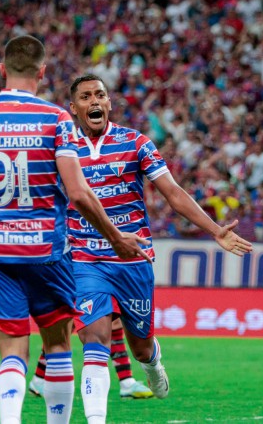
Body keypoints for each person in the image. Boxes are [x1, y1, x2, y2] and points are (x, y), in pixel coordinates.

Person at [0, 35, 149, 424]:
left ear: (2, 70)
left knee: (12, 351)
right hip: (47, 253)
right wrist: (116, 237)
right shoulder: (57, 118)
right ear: (42, 72)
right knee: (58, 345)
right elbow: (78, 194)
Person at [26, 74, 251, 423]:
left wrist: (214, 230)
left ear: (109, 102)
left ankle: (152, 363)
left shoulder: (136, 142)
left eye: (100, 94)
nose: (94, 101)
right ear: (74, 108)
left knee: (141, 346)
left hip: (133, 259)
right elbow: (41, 204)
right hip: (85, 258)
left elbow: (173, 192)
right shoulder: (61, 150)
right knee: (94, 338)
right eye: (85, 97)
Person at [28, 315, 154, 400]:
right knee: (66, 321)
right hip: (77, 277)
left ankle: (126, 381)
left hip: (96, 276)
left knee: (112, 318)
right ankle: (39, 379)